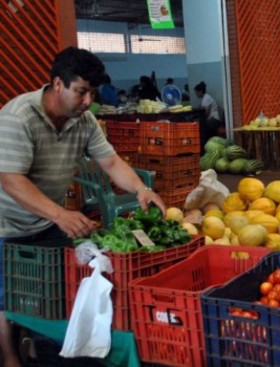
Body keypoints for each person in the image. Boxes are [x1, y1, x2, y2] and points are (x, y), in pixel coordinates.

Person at [0, 47, 167, 366]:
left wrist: (140, 189)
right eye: (81, 92)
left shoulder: (84, 121)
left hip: (47, 221)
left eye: (92, 92)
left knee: (54, 289)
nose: (88, 101)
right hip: (5, 223)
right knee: (6, 296)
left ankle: (39, 347)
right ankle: (10, 357)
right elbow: (11, 181)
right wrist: (61, 214)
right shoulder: (17, 117)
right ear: (57, 84)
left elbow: (111, 161)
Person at [194, 82, 223, 150]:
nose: (196, 94)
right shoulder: (206, 97)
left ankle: (204, 147)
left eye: (196, 92)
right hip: (214, 120)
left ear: (200, 91)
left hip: (214, 120)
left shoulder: (206, 98)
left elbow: (206, 112)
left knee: (202, 128)